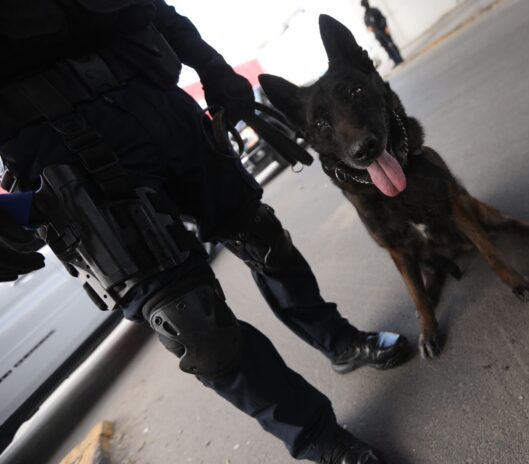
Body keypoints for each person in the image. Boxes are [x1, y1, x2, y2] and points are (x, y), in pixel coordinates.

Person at [0, 1, 410, 462]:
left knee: (264, 239)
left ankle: (339, 342)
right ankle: (319, 438)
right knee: (192, 325)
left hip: (157, 104)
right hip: (62, 155)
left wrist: (213, 67)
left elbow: (151, 7)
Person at [360, 0, 404, 66]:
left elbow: (383, 18)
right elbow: (368, 27)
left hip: (384, 31)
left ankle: (399, 59)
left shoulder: (375, 10)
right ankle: (395, 61)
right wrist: (369, 29)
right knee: (386, 48)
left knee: (391, 45)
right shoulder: (366, 16)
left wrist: (386, 27)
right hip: (378, 35)